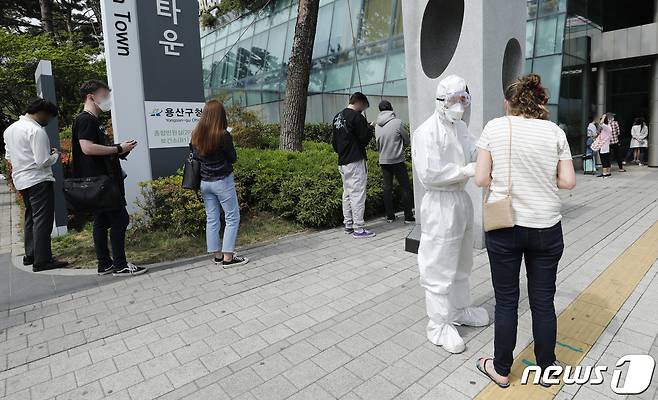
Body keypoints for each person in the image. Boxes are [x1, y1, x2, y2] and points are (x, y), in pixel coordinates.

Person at [474, 74, 575, 388]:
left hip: (505, 225)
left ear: (510, 102)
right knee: (543, 302)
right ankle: (547, 368)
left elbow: (480, 178)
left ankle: (501, 368)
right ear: (540, 103)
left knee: (506, 301)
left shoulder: (495, 127)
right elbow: (568, 181)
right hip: (546, 227)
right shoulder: (554, 132)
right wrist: (542, 182)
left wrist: (506, 182)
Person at [412, 75, 489, 354]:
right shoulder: (426, 132)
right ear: (441, 100)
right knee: (439, 265)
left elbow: (473, 149)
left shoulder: (460, 127)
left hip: (460, 200)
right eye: (455, 99)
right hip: (440, 203)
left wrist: (490, 147)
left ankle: (458, 310)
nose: (460, 105)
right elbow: (429, 173)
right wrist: (464, 171)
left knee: (461, 261)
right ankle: (438, 324)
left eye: (463, 100)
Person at [72, 80, 147, 276]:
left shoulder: (93, 120)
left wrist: (120, 149)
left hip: (101, 180)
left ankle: (105, 264)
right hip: (101, 182)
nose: (107, 100)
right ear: (91, 97)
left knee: (102, 221)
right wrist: (118, 148)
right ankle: (120, 264)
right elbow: (86, 147)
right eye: (104, 95)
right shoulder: (85, 119)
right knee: (120, 219)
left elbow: (97, 148)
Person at [3, 99, 68, 272]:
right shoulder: (36, 130)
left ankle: (30, 255)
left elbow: (9, 157)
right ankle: (43, 260)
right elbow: (42, 161)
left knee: (31, 218)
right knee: (43, 220)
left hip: (21, 180)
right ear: (42, 113)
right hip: (38, 179)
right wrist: (55, 155)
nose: (49, 121)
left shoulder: (10, 130)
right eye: (49, 117)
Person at [191, 100, 248, 268]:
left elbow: (195, 157)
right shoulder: (223, 135)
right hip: (222, 181)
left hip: (204, 183)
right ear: (220, 115)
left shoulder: (195, 134)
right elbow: (233, 158)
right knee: (232, 217)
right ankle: (228, 258)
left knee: (212, 218)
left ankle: (217, 255)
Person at [332, 92, 375, 238]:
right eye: (364, 107)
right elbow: (363, 139)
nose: (363, 110)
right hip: (355, 160)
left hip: (342, 161)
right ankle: (358, 228)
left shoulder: (337, 117)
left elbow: (334, 143)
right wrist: (369, 129)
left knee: (347, 193)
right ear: (360, 102)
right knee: (357, 194)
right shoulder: (357, 117)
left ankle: (348, 224)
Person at [374, 100, 414, 224]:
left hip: (383, 161)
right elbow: (407, 140)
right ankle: (408, 216)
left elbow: (377, 144)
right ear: (391, 108)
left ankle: (390, 216)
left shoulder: (377, 125)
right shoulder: (397, 122)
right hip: (397, 160)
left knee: (387, 188)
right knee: (405, 187)